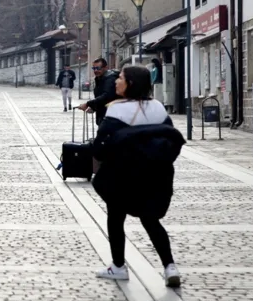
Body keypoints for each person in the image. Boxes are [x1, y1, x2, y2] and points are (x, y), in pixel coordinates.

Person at [91, 65, 185, 288]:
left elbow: (100, 146)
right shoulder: (159, 108)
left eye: (120, 78)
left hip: (123, 174)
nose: (116, 81)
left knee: (116, 217)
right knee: (151, 220)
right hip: (155, 174)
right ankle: (169, 266)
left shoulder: (116, 110)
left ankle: (118, 266)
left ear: (130, 83)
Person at [78, 58, 119, 126]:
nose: (96, 70)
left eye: (98, 68)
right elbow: (100, 97)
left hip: (110, 117)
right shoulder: (100, 78)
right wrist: (94, 108)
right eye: (94, 68)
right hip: (103, 116)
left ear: (106, 68)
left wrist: (88, 104)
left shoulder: (110, 79)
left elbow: (107, 96)